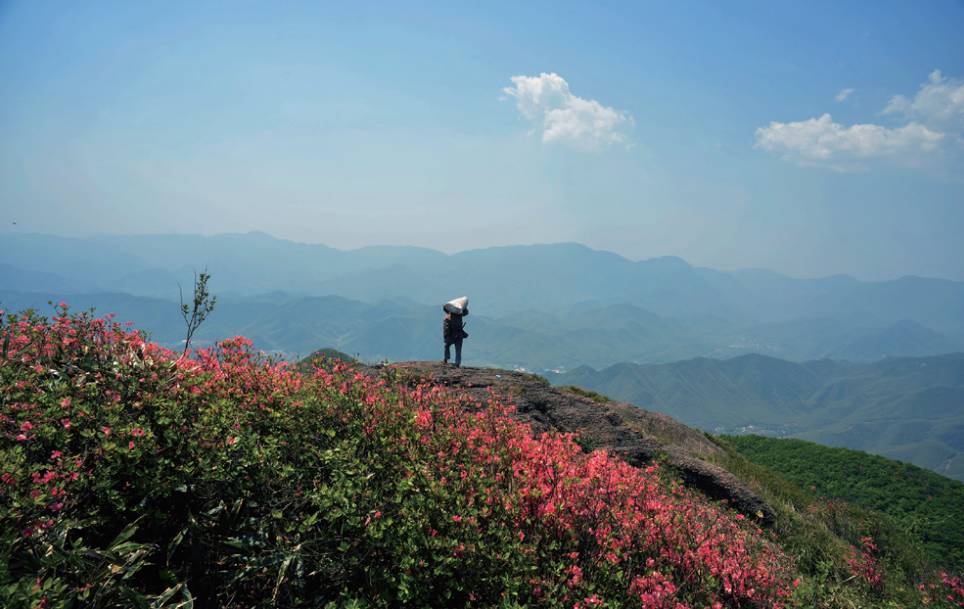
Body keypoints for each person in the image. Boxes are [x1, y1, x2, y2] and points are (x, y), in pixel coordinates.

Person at [443, 297, 469, 366]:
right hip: (458, 334)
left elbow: (446, 329)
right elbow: (466, 312)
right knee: (458, 349)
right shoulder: (460, 314)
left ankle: (446, 358)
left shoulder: (447, 318)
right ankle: (457, 363)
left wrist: (446, 336)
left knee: (447, 346)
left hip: (452, 335)